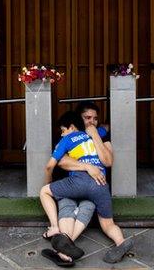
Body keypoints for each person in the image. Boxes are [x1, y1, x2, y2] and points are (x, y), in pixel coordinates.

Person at [40, 111, 133, 267]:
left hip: (79, 181)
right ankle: (121, 242)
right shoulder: (95, 135)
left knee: (44, 191)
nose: (62, 134)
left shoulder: (68, 139)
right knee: (108, 224)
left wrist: (50, 185)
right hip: (101, 184)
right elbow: (104, 128)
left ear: (70, 127)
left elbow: (50, 166)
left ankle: (55, 229)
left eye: (63, 130)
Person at [51, 102, 111, 243]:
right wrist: (88, 167)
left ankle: (66, 245)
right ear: (79, 119)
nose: (92, 122)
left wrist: (95, 135)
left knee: (88, 206)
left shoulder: (100, 134)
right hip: (71, 183)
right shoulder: (68, 135)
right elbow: (61, 161)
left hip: (94, 186)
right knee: (66, 207)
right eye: (87, 118)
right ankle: (65, 243)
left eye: (95, 119)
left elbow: (108, 161)